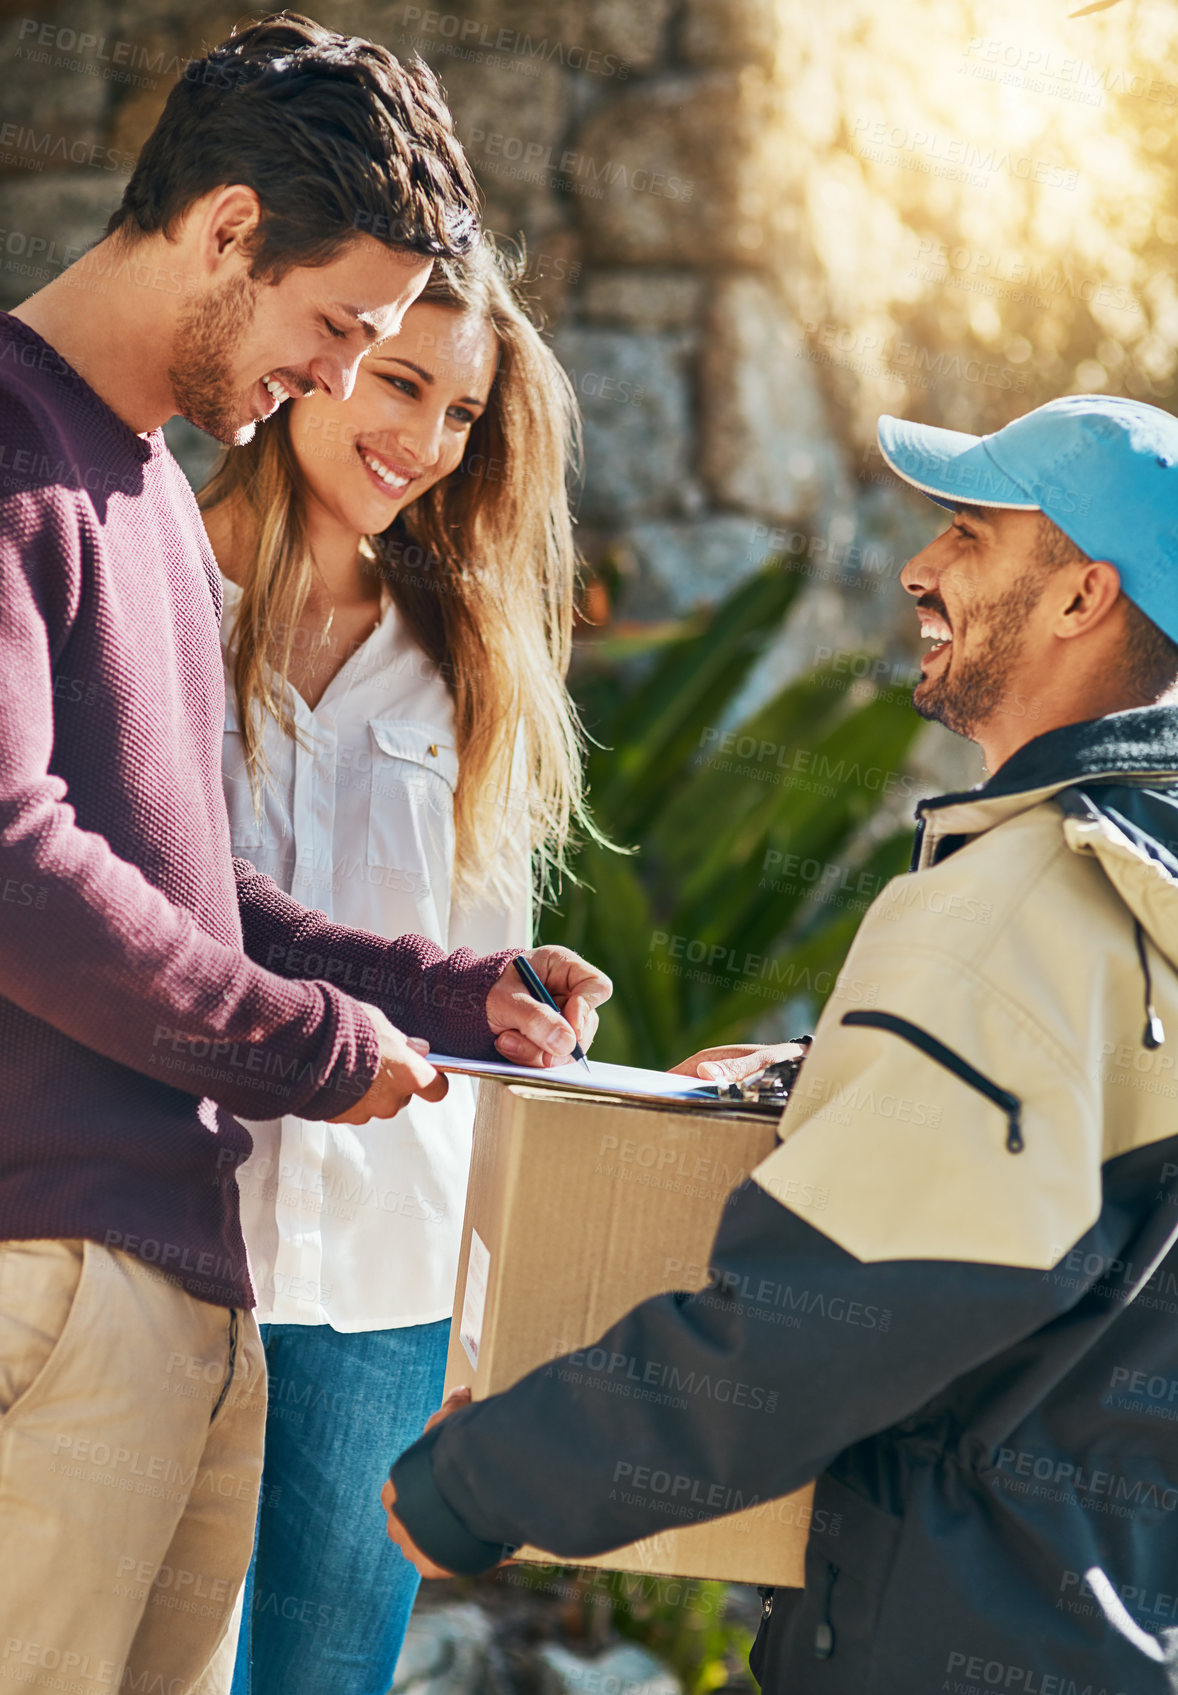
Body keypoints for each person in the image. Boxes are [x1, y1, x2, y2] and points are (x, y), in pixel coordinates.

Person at [382, 393, 1178, 1692]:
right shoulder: (1143, 884)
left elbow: (832, 1316)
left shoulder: (1021, 903)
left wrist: (486, 1479)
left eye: (972, 536)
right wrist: (830, 1078)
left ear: (1081, 597)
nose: (919, 567)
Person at [0, 15, 607, 1695]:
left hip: (179, 1295)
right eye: (344, 330)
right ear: (226, 231)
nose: (347, 386)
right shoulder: (16, 455)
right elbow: (15, 859)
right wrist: (308, 1046)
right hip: (57, 1269)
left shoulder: (131, 498)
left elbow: (204, 895)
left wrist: (444, 989)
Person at [199, 241, 592, 1695]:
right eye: (399, 381)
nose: (425, 442)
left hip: (384, 1285)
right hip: (173, 1242)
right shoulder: (154, 597)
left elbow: (465, 970)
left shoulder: (465, 658)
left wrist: (520, 985)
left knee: (319, 1678)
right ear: (318, 347)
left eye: (462, 414)